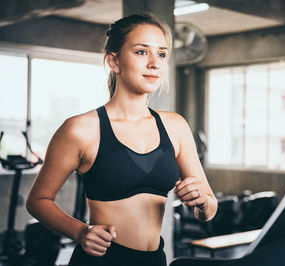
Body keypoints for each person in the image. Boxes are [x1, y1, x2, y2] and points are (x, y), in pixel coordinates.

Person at [26, 13, 218, 266]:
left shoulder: (175, 126)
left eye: (161, 54)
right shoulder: (81, 129)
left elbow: (209, 207)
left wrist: (202, 202)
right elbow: (38, 200)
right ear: (114, 61)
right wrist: (80, 231)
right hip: (102, 261)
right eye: (141, 52)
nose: (154, 63)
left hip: (156, 260)